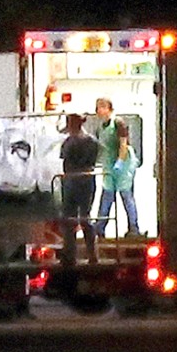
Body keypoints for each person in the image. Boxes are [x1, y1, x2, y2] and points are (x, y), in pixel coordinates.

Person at [93, 97, 141, 238]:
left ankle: (134, 227)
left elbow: (123, 145)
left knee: (126, 195)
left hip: (124, 165)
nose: (99, 110)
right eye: (97, 107)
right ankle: (99, 227)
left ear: (110, 109)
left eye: (102, 106)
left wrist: (120, 161)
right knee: (106, 196)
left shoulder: (118, 123)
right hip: (108, 165)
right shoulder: (100, 128)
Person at [58, 113, 99, 266]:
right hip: (88, 180)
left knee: (69, 218)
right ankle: (92, 254)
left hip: (72, 180)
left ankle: (70, 255)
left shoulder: (69, 142)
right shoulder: (92, 141)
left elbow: (64, 160)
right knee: (85, 217)